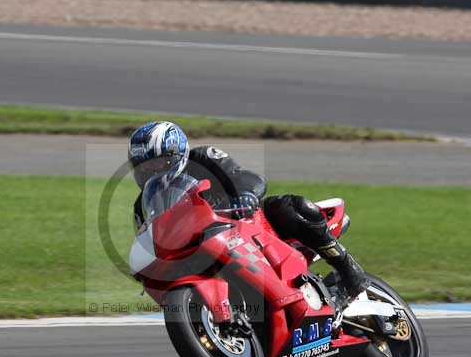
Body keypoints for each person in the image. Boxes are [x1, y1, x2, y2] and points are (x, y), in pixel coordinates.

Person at [128, 121, 369, 301]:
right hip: (197, 251)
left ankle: (348, 269)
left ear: (175, 155)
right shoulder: (141, 205)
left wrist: (244, 195)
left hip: (243, 223)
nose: (150, 171)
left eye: (156, 163)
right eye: (143, 167)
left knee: (291, 207)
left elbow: (244, 177)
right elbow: (151, 238)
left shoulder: (202, 159)